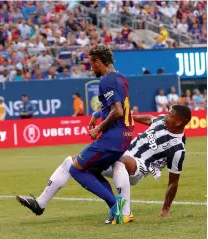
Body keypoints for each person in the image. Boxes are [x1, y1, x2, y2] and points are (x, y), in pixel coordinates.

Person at [16, 44, 134, 224]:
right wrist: (97, 115)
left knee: (76, 168)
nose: (91, 68)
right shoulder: (120, 77)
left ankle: (114, 205)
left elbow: (117, 111)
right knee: (85, 167)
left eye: (91, 64)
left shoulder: (106, 80)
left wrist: (98, 128)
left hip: (112, 139)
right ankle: (40, 203)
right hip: (124, 136)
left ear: (97, 61)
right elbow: (119, 107)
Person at [102, 105, 191, 224]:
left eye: (170, 115)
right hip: (125, 153)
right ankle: (115, 207)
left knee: (116, 158)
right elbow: (150, 118)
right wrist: (131, 117)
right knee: (85, 163)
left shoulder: (177, 149)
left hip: (140, 166)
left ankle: (125, 212)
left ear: (178, 122)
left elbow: (173, 181)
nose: (166, 116)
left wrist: (165, 209)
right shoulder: (161, 120)